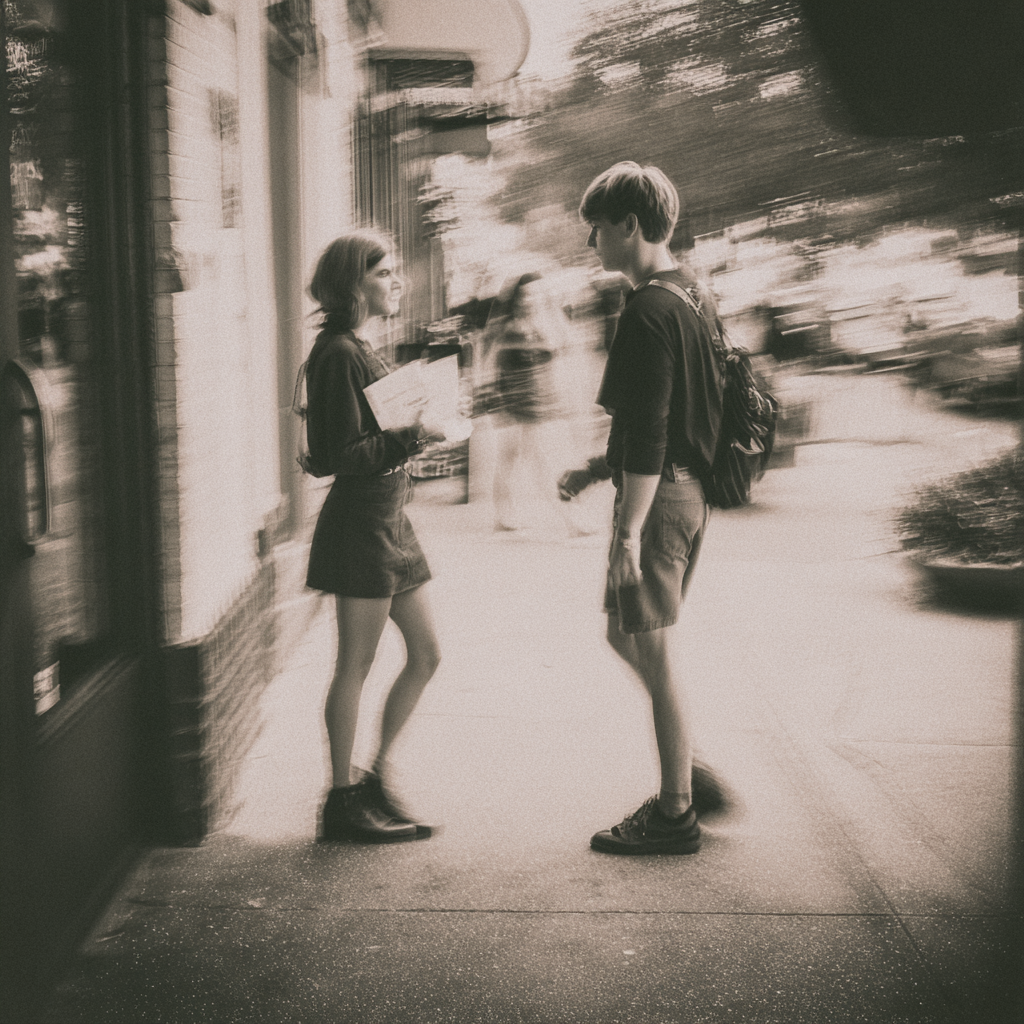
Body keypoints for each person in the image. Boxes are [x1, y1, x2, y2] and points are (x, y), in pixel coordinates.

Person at [576, 161, 731, 854]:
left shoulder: (646, 310)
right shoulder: (693, 293)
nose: (592, 243)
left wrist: (625, 538)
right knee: (626, 633)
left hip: (660, 498)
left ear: (629, 226)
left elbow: (650, 431)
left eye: (598, 228)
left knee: (653, 649)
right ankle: (684, 759)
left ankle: (675, 811)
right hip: (689, 493)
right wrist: (590, 470)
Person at [304, 230, 444, 844]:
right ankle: (341, 800)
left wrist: (419, 428)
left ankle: (374, 777)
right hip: (361, 524)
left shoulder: (359, 347)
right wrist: (415, 433)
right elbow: (341, 454)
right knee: (354, 667)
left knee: (426, 654)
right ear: (352, 283)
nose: (397, 282)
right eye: (384, 273)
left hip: (389, 521)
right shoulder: (338, 352)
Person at [481, 271, 574, 533]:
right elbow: (488, 362)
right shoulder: (508, 327)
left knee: (514, 459)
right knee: (534, 460)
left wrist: (552, 307)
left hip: (538, 403)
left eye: (538, 294)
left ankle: (503, 516)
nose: (532, 299)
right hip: (514, 404)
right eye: (527, 294)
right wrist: (492, 399)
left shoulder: (543, 323)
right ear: (517, 297)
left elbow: (565, 342)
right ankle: (568, 521)